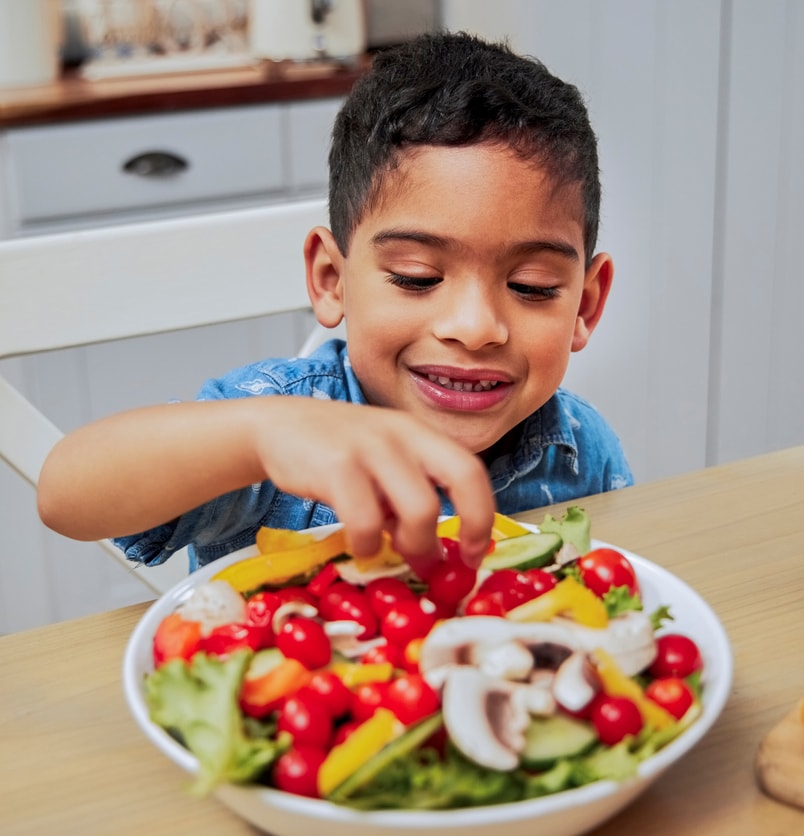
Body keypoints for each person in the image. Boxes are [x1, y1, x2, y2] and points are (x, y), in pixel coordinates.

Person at [37, 32, 633, 580]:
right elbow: (66, 494)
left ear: (585, 302)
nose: (475, 328)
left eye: (532, 286)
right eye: (416, 276)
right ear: (331, 279)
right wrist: (256, 439)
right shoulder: (279, 434)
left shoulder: (582, 447)